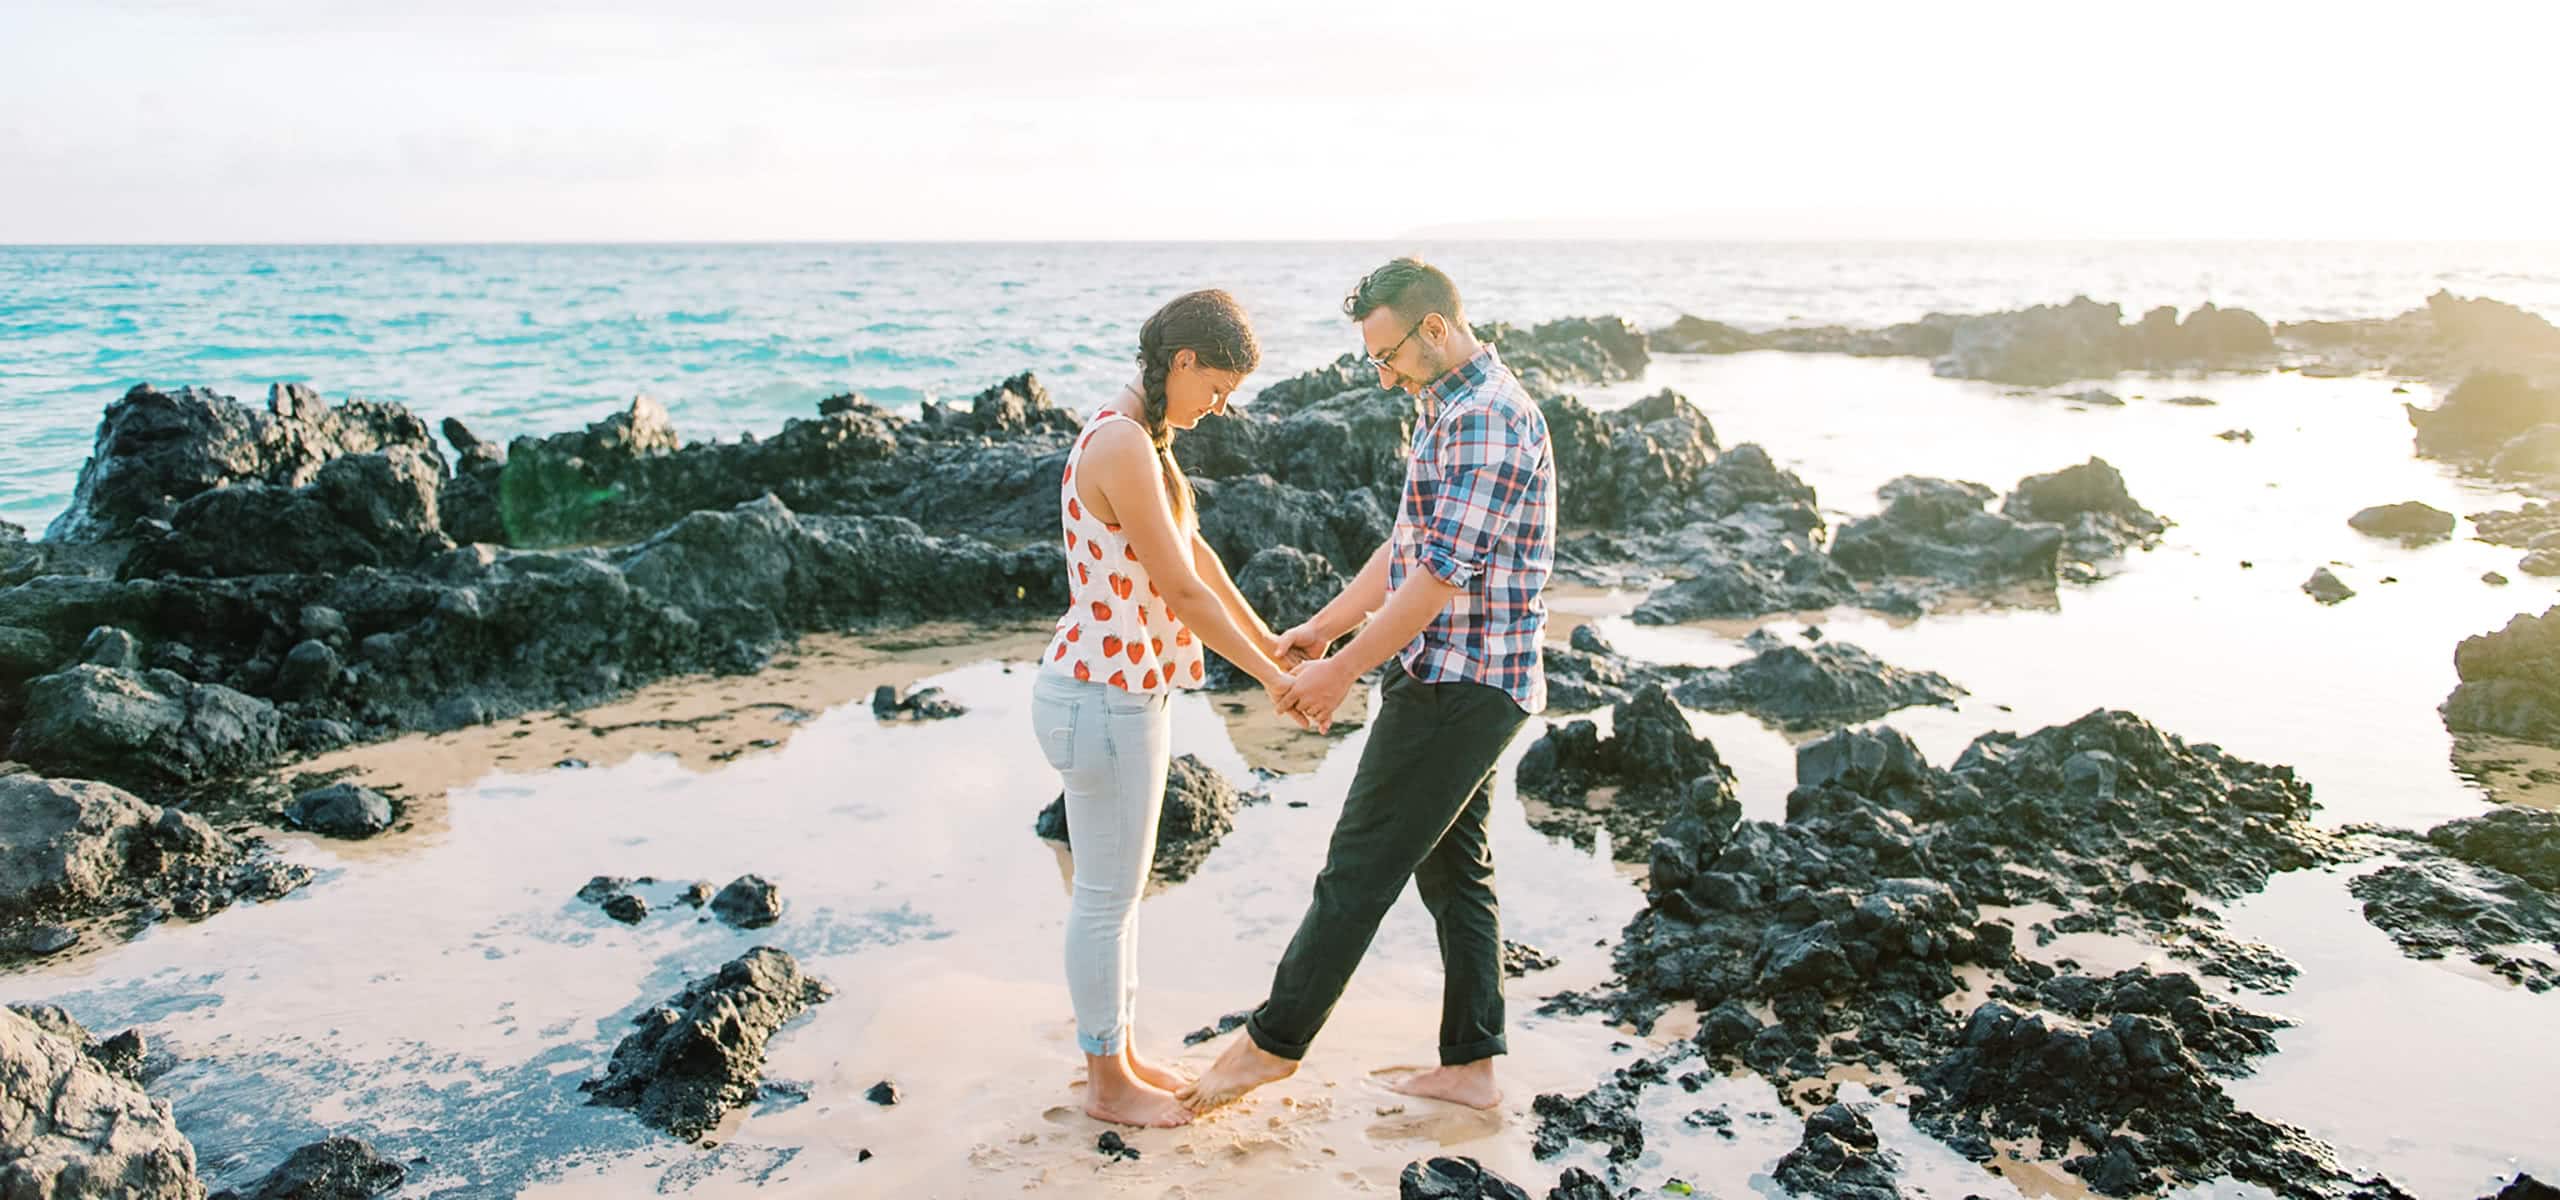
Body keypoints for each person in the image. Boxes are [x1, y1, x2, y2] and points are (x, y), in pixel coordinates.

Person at [1183, 257, 1557, 1114]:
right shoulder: (1449, 405)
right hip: (1459, 676)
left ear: (1436, 328)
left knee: (1357, 867)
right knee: (1455, 870)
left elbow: (1440, 576)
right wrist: (1325, 628)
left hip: (1462, 684)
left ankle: (1270, 1046)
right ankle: (1471, 1067)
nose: (1382, 375)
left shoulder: (1489, 418)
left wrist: (1340, 673)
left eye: (1387, 355)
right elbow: (1404, 548)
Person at [1028, 288, 1303, 1128]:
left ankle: (1117, 1055)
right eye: (1216, 388)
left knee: (1117, 892)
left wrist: (1272, 641)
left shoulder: (1139, 437)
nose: (1218, 408)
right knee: (1106, 897)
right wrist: (1272, 679)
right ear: (1183, 361)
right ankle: (1106, 1083)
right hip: (1103, 696)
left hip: (1111, 691)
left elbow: (1198, 557)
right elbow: (1180, 591)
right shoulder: (1121, 442)